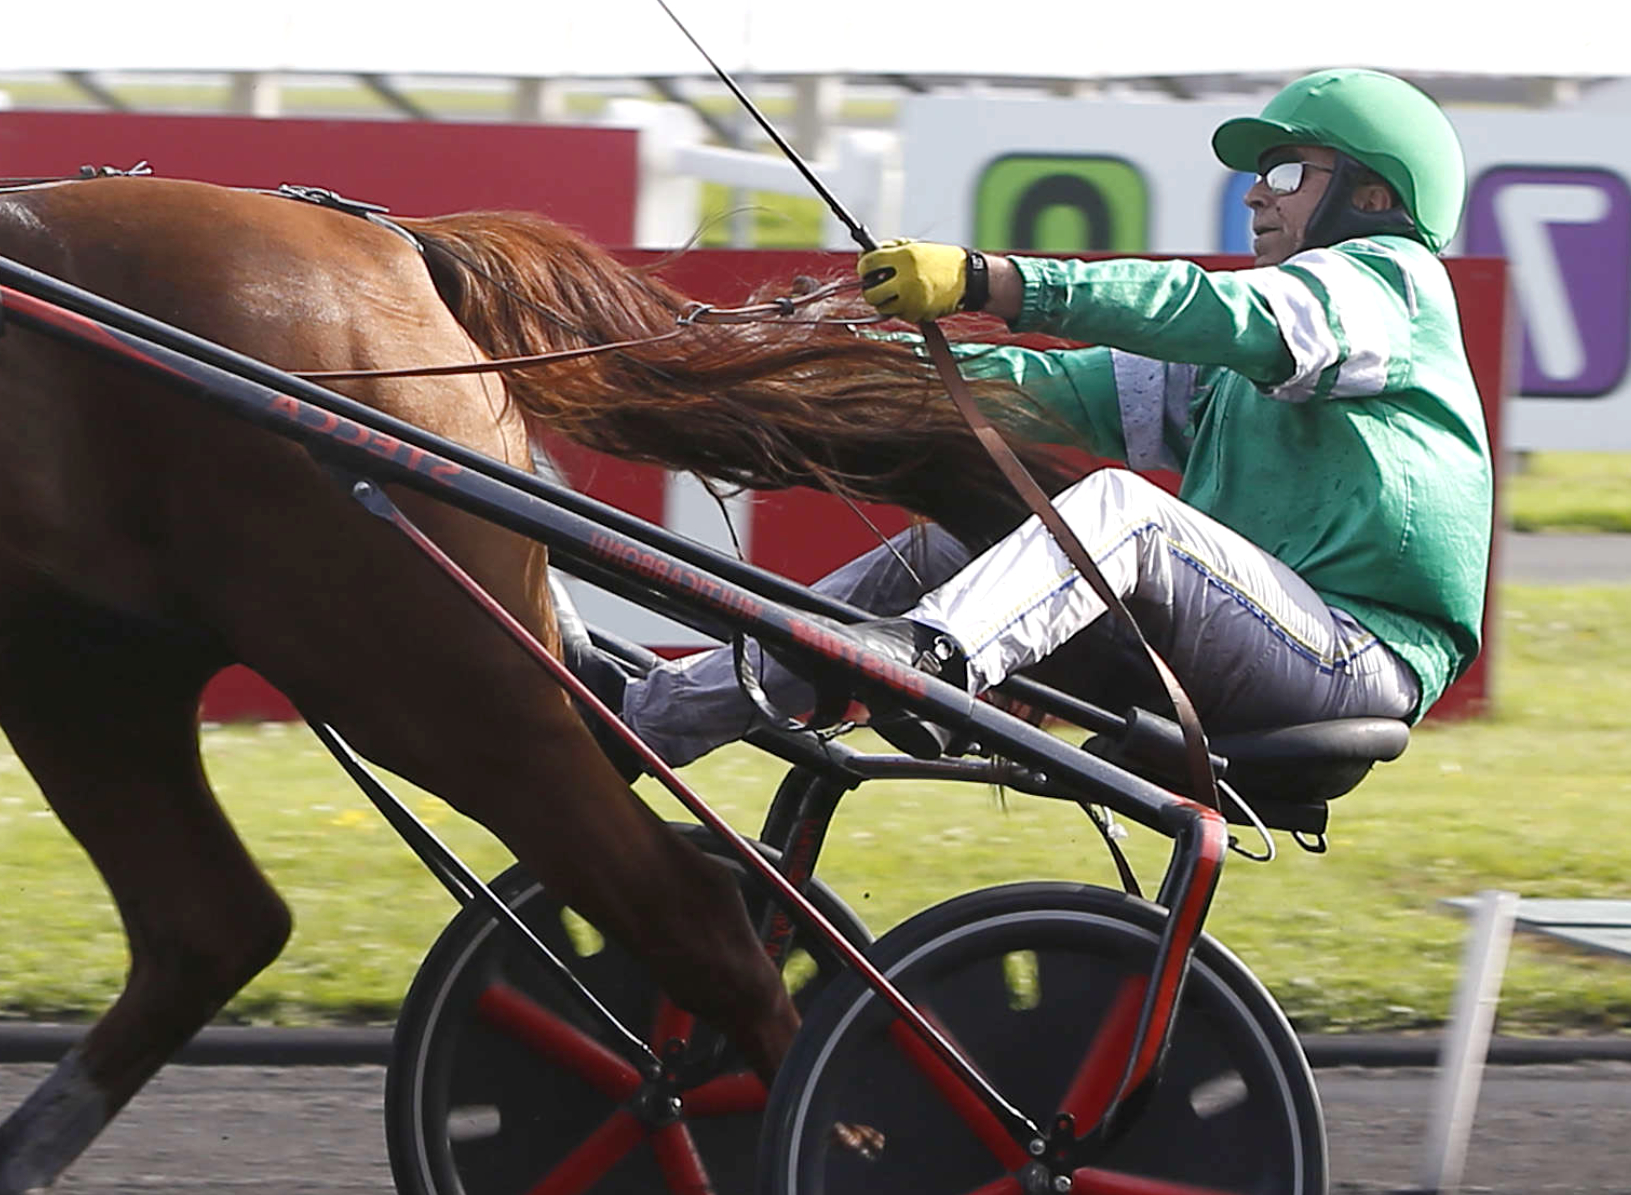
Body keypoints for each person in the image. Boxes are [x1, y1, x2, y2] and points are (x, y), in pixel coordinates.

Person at [610, 69, 1492, 764]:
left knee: (1125, 513)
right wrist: (828, 350)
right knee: (951, 544)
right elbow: (1047, 391)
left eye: (1289, 172)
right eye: (1260, 176)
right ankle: (650, 718)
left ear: (1372, 199)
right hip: (1262, 641)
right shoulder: (1269, 357)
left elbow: (1206, 308)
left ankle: (934, 666)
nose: (1257, 195)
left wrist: (992, 279)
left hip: (1354, 660)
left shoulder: (1386, 286)